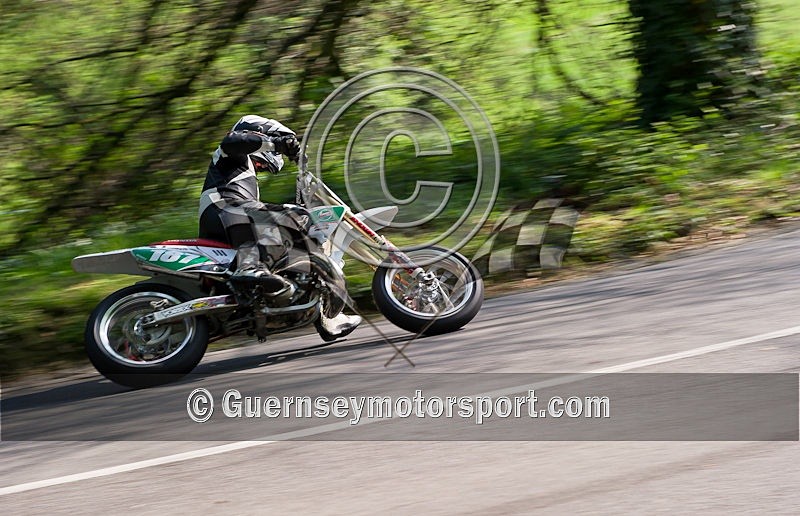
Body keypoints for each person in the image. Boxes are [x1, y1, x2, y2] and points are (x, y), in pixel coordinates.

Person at [198, 114, 361, 339]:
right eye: (265, 161)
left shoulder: (245, 175)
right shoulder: (230, 153)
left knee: (292, 233)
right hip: (222, 209)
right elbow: (233, 141)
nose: (262, 166)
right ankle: (250, 269)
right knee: (292, 216)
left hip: (232, 219)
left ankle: (321, 310)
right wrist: (278, 143)